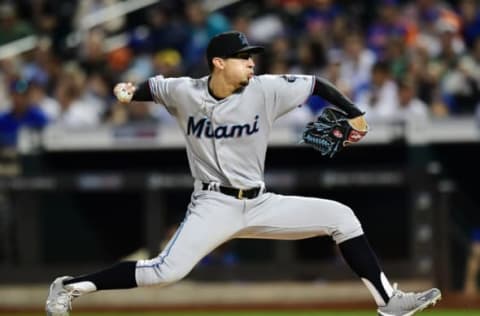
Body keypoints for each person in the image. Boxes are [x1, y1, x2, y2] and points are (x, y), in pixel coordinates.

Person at [45, 31, 441, 316]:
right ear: (219, 63)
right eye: (243, 56)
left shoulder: (266, 89)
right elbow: (156, 86)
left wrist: (355, 113)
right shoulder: (185, 91)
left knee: (342, 217)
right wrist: (131, 91)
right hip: (213, 203)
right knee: (164, 274)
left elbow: (317, 83)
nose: (252, 62)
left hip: (260, 201)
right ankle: (69, 287)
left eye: (252, 56)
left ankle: (389, 302)